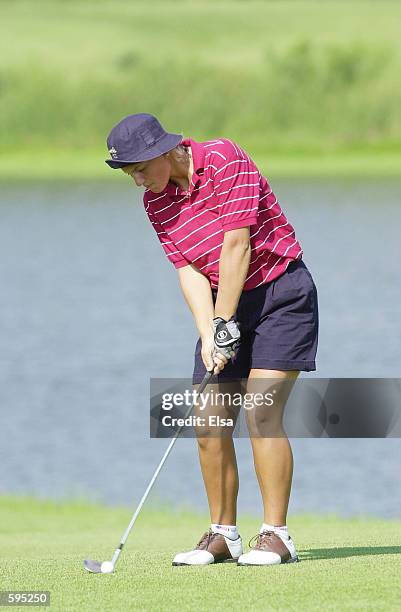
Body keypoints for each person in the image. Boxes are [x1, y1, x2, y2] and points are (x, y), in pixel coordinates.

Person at [105, 113, 319, 566]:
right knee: (209, 420)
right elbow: (188, 268)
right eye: (130, 174)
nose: (137, 180)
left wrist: (224, 322)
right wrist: (209, 332)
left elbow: (236, 246)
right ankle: (223, 534)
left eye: (140, 169)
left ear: (164, 152)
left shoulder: (224, 158)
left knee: (262, 413)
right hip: (224, 301)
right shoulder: (155, 203)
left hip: (281, 293)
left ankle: (277, 536)